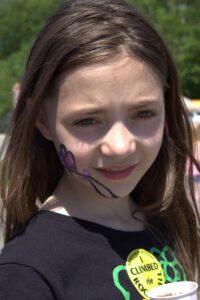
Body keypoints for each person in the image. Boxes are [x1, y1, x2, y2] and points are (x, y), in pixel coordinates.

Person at [0, 0, 199, 299]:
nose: (120, 146)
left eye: (143, 113)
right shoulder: (27, 271)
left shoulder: (163, 223)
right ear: (42, 120)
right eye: (88, 120)